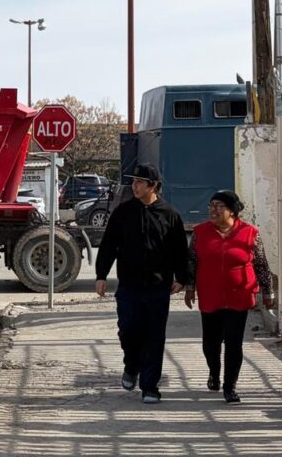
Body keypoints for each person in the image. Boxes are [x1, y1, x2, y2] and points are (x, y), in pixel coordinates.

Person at [95, 163, 188, 404]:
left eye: (139, 182)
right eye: (133, 181)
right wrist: (101, 275)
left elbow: (179, 249)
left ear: (153, 185)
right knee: (128, 330)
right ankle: (131, 365)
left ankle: (150, 387)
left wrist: (182, 278)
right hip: (129, 286)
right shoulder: (123, 212)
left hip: (158, 287)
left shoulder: (170, 215)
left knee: (154, 337)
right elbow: (108, 245)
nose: (134, 186)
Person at [184, 190, 274, 404]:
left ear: (232, 211)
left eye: (219, 206)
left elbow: (261, 264)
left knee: (234, 343)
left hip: (239, 295)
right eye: (211, 205)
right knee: (210, 343)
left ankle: (230, 386)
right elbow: (191, 261)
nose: (213, 210)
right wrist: (190, 287)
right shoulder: (200, 232)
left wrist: (267, 291)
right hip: (210, 294)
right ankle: (214, 373)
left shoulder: (250, 233)